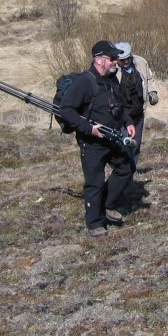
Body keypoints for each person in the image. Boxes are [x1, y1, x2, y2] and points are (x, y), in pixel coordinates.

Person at [59, 40, 137, 238]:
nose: (115, 62)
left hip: (113, 137)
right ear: (99, 60)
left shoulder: (112, 79)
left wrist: (127, 121)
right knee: (95, 182)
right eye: (112, 58)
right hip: (92, 142)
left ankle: (106, 204)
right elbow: (66, 110)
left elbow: (118, 105)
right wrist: (89, 129)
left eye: (116, 58)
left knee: (127, 167)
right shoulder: (84, 82)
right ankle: (95, 223)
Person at [113, 41, 159, 168]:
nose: (126, 62)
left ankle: (131, 168)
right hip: (122, 113)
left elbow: (149, 78)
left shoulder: (141, 62)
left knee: (136, 142)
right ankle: (121, 169)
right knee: (122, 142)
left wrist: (152, 92)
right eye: (122, 60)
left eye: (128, 59)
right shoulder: (112, 69)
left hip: (138, 111)